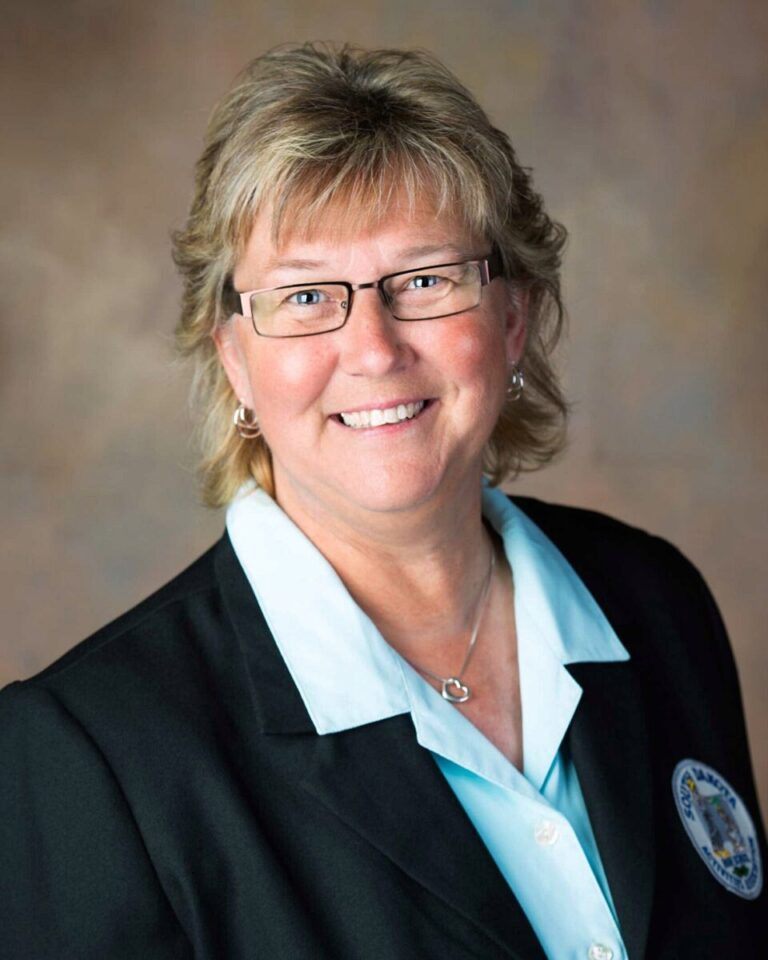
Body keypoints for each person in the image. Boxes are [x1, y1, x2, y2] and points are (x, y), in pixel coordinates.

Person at [1, 42, 765, 960]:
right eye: (306, 295)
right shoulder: (91, 756)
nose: (373, 349)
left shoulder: (656, 601)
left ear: (512, 319)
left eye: (426, 280)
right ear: (234, 356)